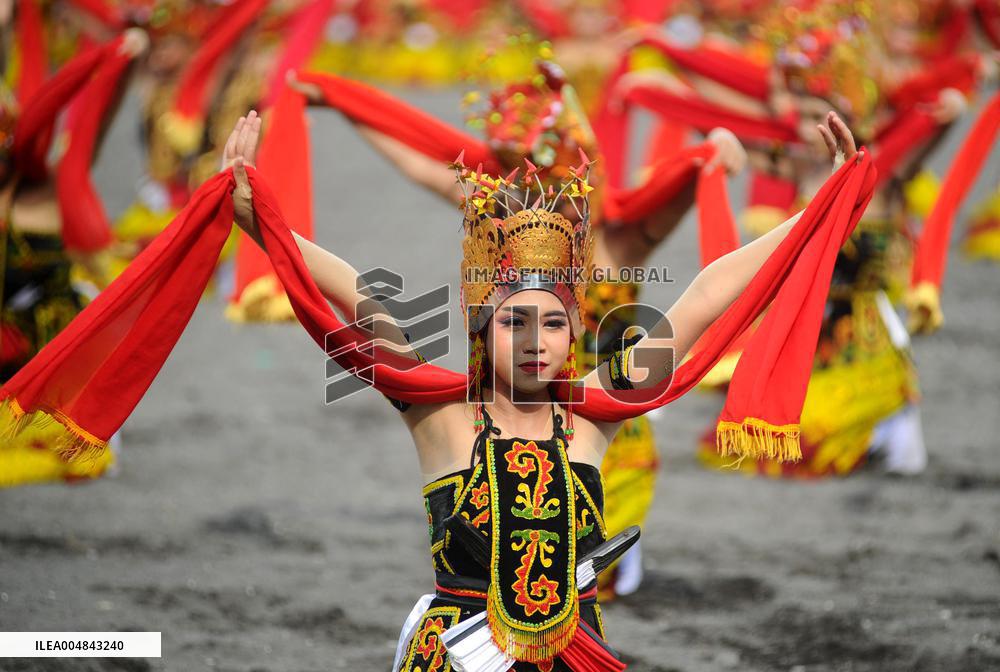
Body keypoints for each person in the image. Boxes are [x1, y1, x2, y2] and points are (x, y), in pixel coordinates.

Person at [214, 106, 860, 670]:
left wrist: (819, 209)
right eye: (513, 321)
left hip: (574, 653)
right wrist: (256, 218)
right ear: (480, 329)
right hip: (459, 658)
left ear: (576, 330)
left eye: (552, 323)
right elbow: (359, 294)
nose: (534, 340)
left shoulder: (594, 415)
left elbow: (708, 294)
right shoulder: (440, 415)